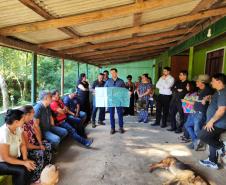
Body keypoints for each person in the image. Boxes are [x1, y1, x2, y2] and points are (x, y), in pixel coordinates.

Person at [0, 109, 36, 185]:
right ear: (16, 122)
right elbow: (5, 158)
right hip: (2, 162)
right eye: (23, 119)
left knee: (31, 163)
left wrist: (25, 159)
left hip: (14, 158)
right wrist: (24, 163)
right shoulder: (4, 133)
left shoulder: (18, 128)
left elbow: (23, 144)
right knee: (22, 170)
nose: (24, 121)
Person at [198, 73, 226, 169]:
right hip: (215, 121)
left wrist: (211, 121)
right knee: (212, 139)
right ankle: (212, 161)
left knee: (202, 135)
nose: (211, 82)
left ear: (219, 81)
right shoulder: (218, 92)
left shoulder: (223, 92)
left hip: (219, 123)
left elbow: (222, 109)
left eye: (213, 80)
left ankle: (221, 147)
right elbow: (217, 101)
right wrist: (209, 97)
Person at [22, 105, 52, 183]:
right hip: (26, 149)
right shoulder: (22, 125)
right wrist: (39, 147)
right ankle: (36, 177)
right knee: (40, 153)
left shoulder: (31, 121)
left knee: (48, 145)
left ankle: (46, 168)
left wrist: (40, 143)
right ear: (27, 114)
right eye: (33, 112)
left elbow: (36, 132)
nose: (34, 114)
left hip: (34, 143)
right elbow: (27, 146)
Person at [184, 74, 213, 150]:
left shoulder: (208, 90)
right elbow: (197, 100)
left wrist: (207, 98)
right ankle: (195, 141)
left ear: (202, 82)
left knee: (197, 130)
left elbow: (210, 97)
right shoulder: (200, 90)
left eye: (197, 81)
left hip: (200, 113)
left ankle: (197, 144)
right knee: (187, 125)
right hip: (194, 112)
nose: (196, 82)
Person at [105, 68, 126, 134]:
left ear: (116, 73)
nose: (112, 74)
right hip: (111, 100)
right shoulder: (108, 81)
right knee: (111, 115)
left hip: (119, 100)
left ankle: (121, 127)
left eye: (113, 72)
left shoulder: (121, 81)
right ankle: (112, 128)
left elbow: (124, 91)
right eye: (111, 73)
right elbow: (104, 89)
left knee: (120, 114)